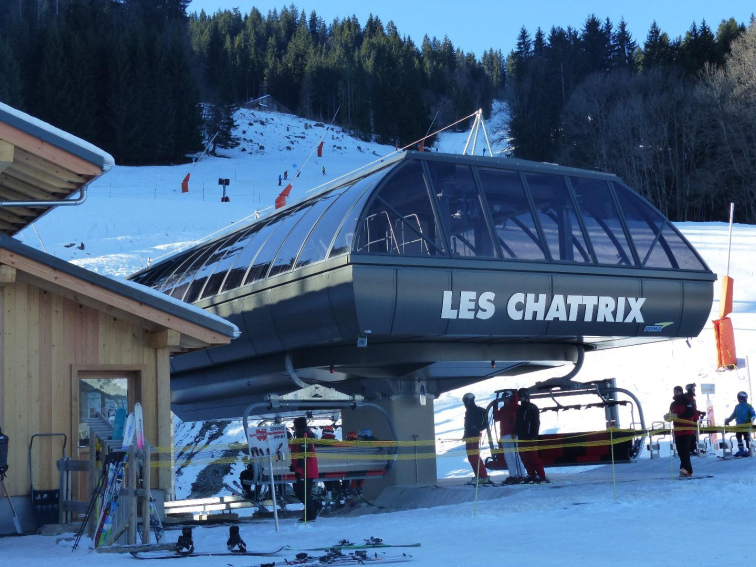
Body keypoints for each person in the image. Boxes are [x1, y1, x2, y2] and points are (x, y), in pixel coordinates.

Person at [290, 416, 322, 522]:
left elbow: (304, 454)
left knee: (302, 492)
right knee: (300, 491)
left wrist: (298, 469)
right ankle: (315, 506)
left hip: (306, 470)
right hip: (306, 468)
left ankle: (310, 514)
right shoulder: (304, 434)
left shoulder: (303, 436)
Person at [492, 390, 525, 484]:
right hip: (504, 435)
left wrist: (515, 394)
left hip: (513, 434)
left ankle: (522, 475)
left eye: (506, 398)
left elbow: (515, 405)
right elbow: (496, 418)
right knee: (508, 457)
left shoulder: (515, 407)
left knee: (515, 456)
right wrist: (495, 407)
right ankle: (513, 475)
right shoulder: (503, 409)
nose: (505, 400)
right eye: (504, 398)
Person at [516, 388, 548, 483]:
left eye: (521, 396)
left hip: (530, 436)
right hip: (521, 437)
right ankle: (531, 474)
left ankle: (541, 475)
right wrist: (516, 431)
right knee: (524, 457)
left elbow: (536, 422)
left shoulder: (532, 407)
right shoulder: (519, 409)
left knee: (533, 456)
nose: (520, 398)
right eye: (519, 396)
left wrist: (534, 434)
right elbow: (518, 422)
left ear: (526, 396)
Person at [462, 393, 492, 485]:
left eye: (465, 401)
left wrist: (473, 430)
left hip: (473, 436)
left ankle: (483, 476)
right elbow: (468, 426)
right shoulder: (469, 411)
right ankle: (479, 476)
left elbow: (474, 425)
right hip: (470, 436)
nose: (465, 403)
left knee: (474, 456)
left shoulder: (474, 411)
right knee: (471, 457)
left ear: (469, 400)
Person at [668, 385, 697, 477]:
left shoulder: (687, 401)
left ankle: (685, 469)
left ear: (681, 392)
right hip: (677, 430)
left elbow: (690, 413)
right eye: (674, 391)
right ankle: (687, 470)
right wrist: (669, 417)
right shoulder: (673, 404)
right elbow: (671, 414)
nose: (676, 393)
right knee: (680, 451)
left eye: (677, 391)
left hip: (687, 429)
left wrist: (678, 416)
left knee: (685, 449)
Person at [725, 391, 756, 457]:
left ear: (745, 398)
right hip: (739, 426)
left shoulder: (748, 406)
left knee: (747, 438)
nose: (741, 399)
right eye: (740, 398)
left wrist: (750, 420)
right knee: (738, 437)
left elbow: (753, 415)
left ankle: (750, 450)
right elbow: (734, 414)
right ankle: (741, 450)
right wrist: (729, 420)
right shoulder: (737, 406)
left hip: (746, 426)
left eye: (742, 398)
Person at [349, 429, 379, 494]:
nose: (361, 439)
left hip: (364, 463)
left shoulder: (366, 443)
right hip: (370, 464)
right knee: (362, 471)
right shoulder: (375, 442)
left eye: (362, 437)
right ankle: (359, 487)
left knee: (356, 470)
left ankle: (353, 487)